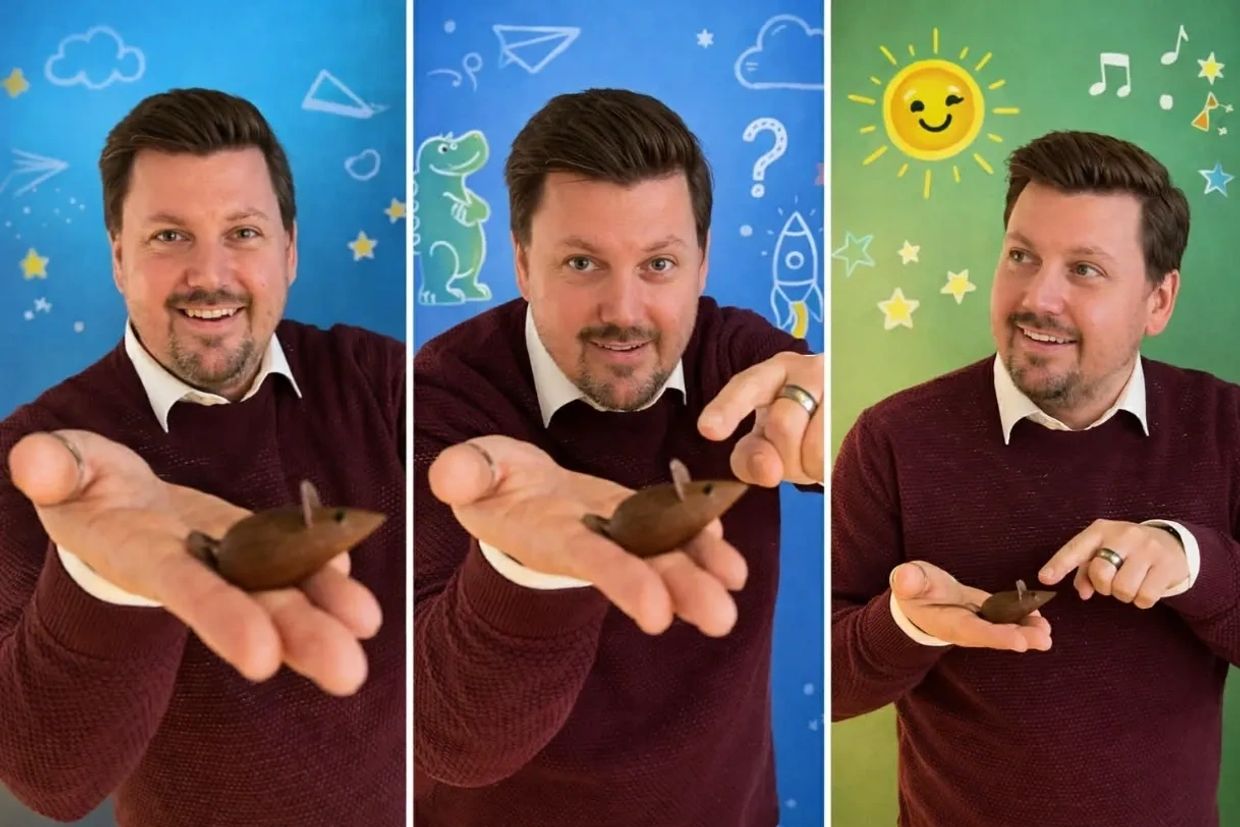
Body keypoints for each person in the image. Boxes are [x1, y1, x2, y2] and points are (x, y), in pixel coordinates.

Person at [413, 88, 824, 826]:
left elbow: (830, 419)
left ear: (702, 262)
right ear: (521, 262)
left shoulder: (745, 368)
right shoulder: (442, 404)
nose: (625, 311)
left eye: (659, 264)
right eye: (581, 263)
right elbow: (447, 738)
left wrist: (841, 428)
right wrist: (523, 563)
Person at [0, 89, 405, 826]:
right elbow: (46, 779)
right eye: (168, 237)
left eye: (242, 232)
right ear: (119, 257)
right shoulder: (38, 453)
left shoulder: (382, 384)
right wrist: (103, 575)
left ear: (290, 249)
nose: (210, 275)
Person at [832, 130, 1240, 826]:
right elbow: (827, 682)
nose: (1038, 297)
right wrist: (906, 623)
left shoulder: (1225, 426)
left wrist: (1189, 562)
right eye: (1022, 256)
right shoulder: (893, 439)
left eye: (1085, 269)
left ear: (1159, 301)